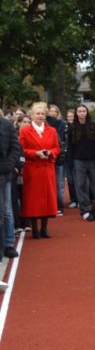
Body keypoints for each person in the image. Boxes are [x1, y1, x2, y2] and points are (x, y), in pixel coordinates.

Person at [18, 103, 61, 240]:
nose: (40, 116)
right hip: (33, 169)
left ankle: (44, 228)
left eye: (42, 114)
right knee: (33, 200)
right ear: (32, 115)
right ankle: (35, 229)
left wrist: (50, 153)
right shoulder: (25, 131)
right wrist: (35, 153)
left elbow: (57, 148)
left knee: (47, 199)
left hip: (47, 168)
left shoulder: (52, 131)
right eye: (38, 113)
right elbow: (21, 150)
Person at [70, 104, 95, 218]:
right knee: (81, 185)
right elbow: (70, 145)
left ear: (87, 113)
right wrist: (71, 161)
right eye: (79, 111)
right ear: (76, 113)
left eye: (84, 111)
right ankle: (85, 210)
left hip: (93, 160)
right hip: (78, 160)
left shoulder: (93, 126)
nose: (82, 113)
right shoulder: (72, 127)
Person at [1, 112, 22, 261]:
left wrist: (8, 165)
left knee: (7, 210)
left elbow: (15, 148)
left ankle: (8, 244)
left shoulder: (7, 125)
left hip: (4, 175)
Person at [46, 104, 68, 214]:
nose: (53, 113)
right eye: (51, 111)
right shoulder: (45, 124)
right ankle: (50, 205)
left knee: (59, 183)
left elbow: (63, 141)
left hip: (59, 157)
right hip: (47, 157)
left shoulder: (62, 124)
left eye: (55, 111)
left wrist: (61, 153)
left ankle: (59, 205)